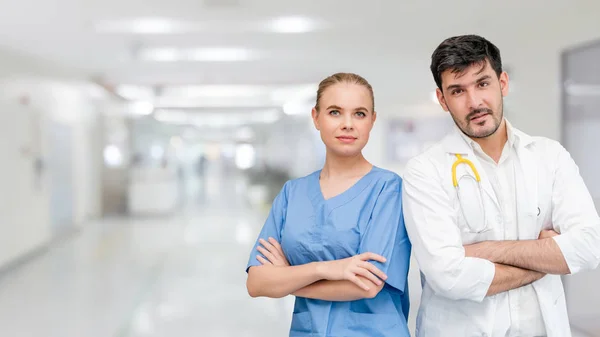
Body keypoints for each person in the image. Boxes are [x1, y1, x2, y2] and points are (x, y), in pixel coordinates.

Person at [401, 34, 600, 337]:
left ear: (502, 83)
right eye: (458, 91)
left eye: (483, 83)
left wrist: (486, 250)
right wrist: (546, 257)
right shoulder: (425, 171)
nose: (475, 102)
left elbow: (589, 246)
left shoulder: (550, 156)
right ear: (443, 100)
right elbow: (447, 275)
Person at [245, 72, 412, 337]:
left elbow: (367, 285)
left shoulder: (388, 189)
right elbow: (256, 282)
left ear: (372, 121)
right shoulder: (293, 193)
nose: (348, 124)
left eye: (359, 114)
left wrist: (289, 279)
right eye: (335, 112)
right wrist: (326, 269)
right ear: (316, 118)